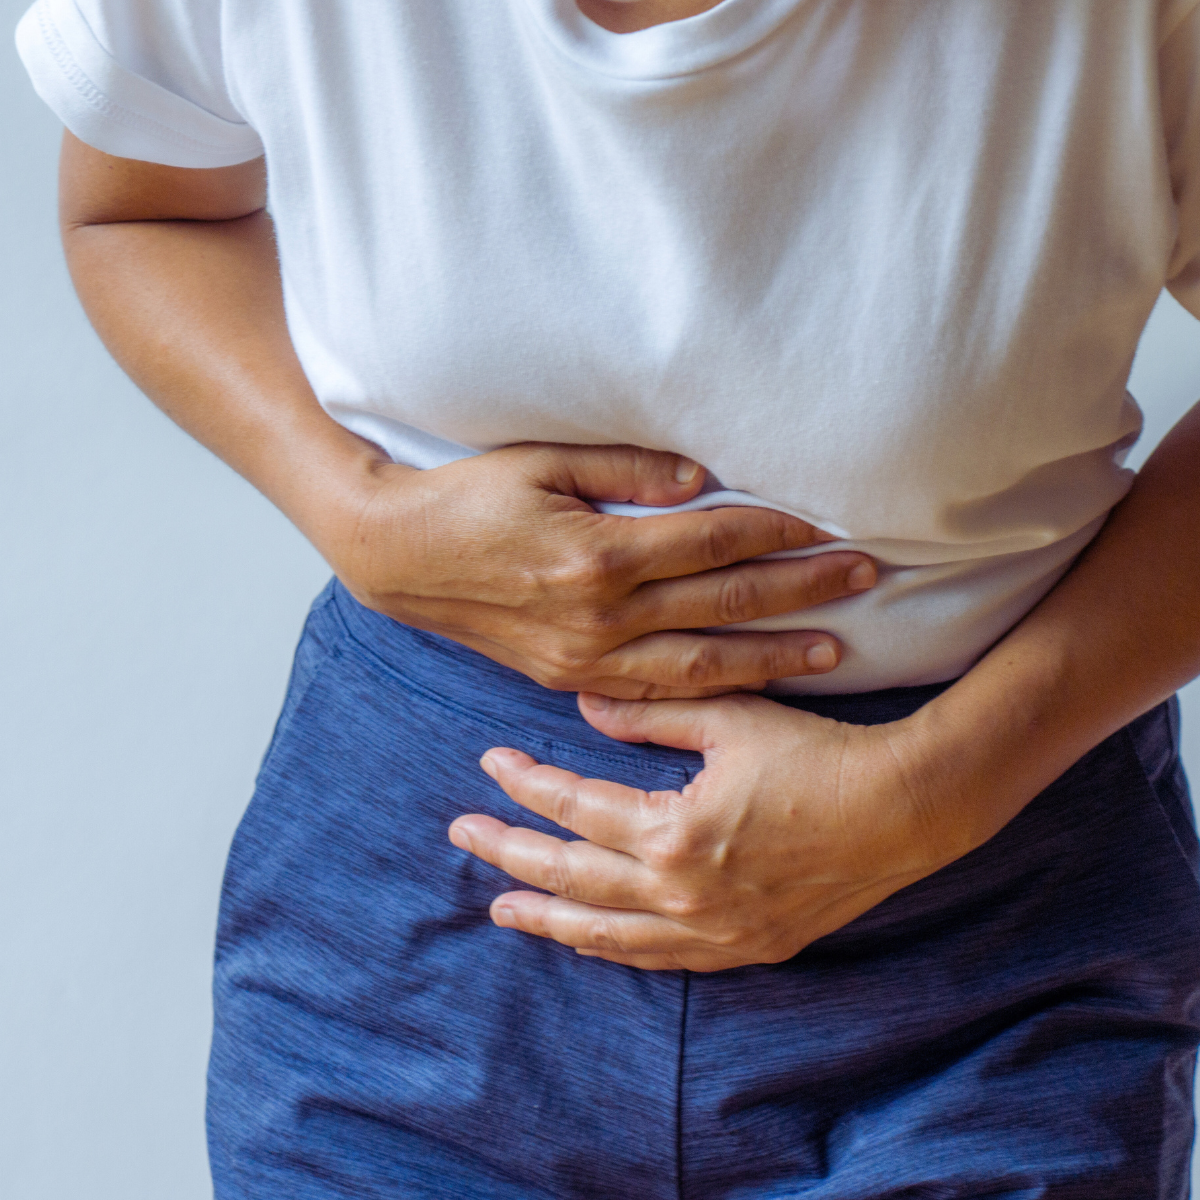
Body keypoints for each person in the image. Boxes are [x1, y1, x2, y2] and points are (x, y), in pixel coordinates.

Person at [16, 0, 1200, 1194]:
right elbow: (142, 205)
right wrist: (353, 510)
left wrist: (944, 783)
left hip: (990, 944)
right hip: (412, 936)